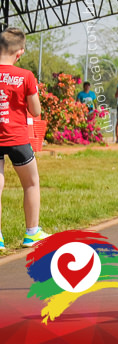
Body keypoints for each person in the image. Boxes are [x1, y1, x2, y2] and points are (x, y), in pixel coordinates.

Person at [0, 28, 50, 250]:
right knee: (31, 183)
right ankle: (32, 233)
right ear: (19, 52)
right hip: (18, 139)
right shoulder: (25, 76)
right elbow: (36, 111)